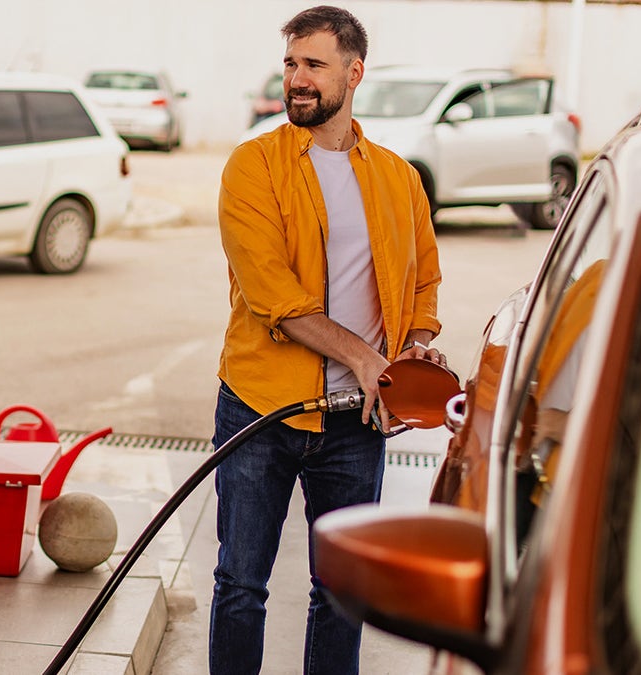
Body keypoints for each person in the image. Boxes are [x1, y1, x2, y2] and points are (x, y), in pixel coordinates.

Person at [210, 6, 445, 674]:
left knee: (342, 594)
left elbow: (424, 282)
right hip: (259, 409)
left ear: (354, 71)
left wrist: (415, 347)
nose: (297, 79)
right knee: (240, 586)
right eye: (290, 64)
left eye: (313, 64)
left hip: (355, 425)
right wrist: (367, 358)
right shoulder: (252, 167)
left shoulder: (399, 178)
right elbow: (276, 301)